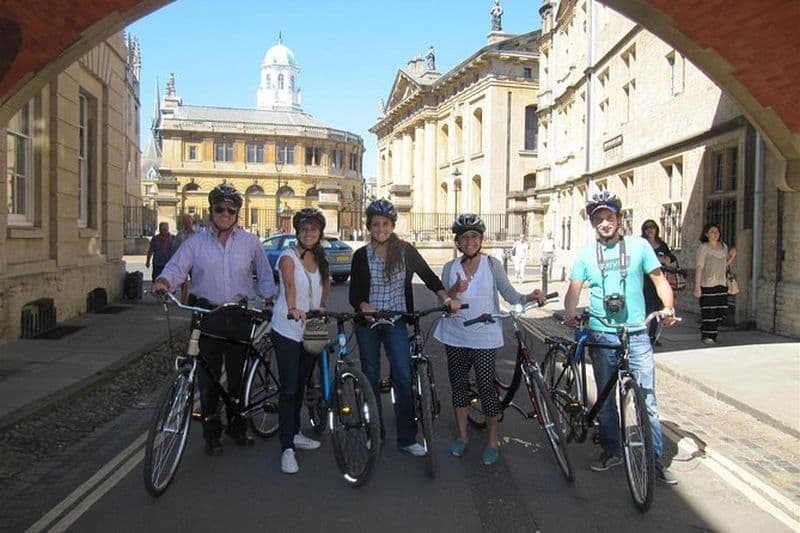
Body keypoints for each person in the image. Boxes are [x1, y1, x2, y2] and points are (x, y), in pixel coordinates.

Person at [564, 191, 678, 485]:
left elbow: (659, 280)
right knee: (604, 398)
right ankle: (612, 449)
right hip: (603, 333)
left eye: (609, 217)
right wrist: (570, 310)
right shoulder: (586, 255)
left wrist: (668, 307)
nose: (605, 223)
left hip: (637, 332)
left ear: (618, 218)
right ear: (593, 223)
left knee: (647, 398)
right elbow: (574, 289)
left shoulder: (640, 247)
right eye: (598, 219)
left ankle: (653, 459)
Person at [152, 184, 276, 456]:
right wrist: (163, 282)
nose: (225, 213)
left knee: (237, 378)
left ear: (237, 213)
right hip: (207, 316)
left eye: (231, 209)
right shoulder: (195, 243)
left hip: (239, 315)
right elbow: (176, 267)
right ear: (212, 211)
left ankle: (237, 426)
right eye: (220, 208)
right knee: (207, 381)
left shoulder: (251, 243)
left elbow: (265, 274)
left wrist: (269, 299)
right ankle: (212, 434)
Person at [349, 199, 459, 456]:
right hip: (369, 324)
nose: (381, 229)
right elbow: (354, 295)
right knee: (370, 376)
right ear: (369, 226)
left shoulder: (405, 251)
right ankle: (374, 433)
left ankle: (407, 437)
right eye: (376, 224)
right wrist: (363, 304)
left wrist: (446, 298)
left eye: (385, 224)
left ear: (393, 226)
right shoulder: (360, 256)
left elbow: (429, 277)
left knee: (403, 375)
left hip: (396, 321)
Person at [435, 214, 546, 465]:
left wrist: (530, 296)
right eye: (465, 237)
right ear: (458, 243)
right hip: (455, 334)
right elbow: (442, 302)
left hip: (484, 335)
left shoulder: (492, 265)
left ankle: (493, 441)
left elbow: (511, 295)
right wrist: (453, 292)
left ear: (481, 240)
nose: (470, 241)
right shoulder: (449, 268)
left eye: (474, 236)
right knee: (459, 386)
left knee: (486, 387)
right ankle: (462, 437)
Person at [271, 208, 328, 474]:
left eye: (314, 229)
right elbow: (290, 284)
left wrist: (322, 310)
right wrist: (293, 307)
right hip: (288, 328)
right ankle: (286, 449)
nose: (309, 233)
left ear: (319, 233)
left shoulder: (320, 259)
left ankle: (294, 432)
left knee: (302, 384)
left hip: (311, 329)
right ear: (298, 232)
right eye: (304, 229)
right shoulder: (287, 256)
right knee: (290, 387)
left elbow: (323, 287)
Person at [694, 223, 736, 345]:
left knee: (722, 311)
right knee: (709, 312)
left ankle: (707, 328)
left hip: (721, 283)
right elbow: (699, 267)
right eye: (712, 231)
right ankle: (708, 335)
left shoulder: (724, 247)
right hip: (707, 284)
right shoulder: (704, 248)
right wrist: (697, 287)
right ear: (706, 234)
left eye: (717, 231)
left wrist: (732, 257)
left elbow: (724, 265)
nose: (715, 233)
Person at [641, 220, 678, 344]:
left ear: (656, 229)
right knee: (646, 306)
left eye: (652, 227)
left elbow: (671, 256)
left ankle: (652, 336)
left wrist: (667, 258)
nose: (650, 230)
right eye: (647, 228)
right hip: (644, 279)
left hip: (659, 277)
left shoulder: (661, 244)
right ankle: (642, 335)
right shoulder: (642, 243)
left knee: (657, 307)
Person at [174, 214, 197, 304]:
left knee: (196, 279)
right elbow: (175, 246)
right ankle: (184, 299)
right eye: (185, 222)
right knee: (184, 281)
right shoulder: (180, 234)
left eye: (188, 222)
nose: (187, 224)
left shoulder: (197, 234)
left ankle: (196, 296)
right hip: (183, 260)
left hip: (195, 261)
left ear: (192, 222)